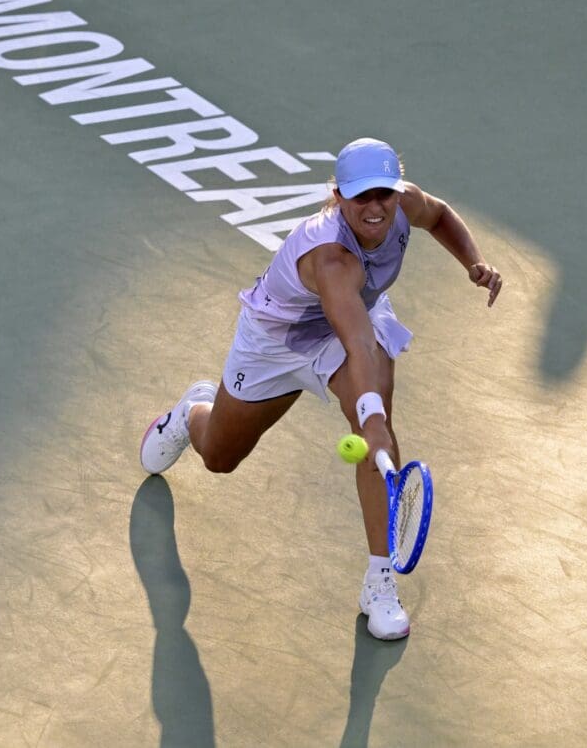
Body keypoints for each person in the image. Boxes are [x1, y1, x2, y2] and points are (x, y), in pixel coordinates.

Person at [140, 138, 502, 640]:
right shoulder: (331, 259)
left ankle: (379, 580)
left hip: (347, 329)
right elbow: (357, 344)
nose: (375, 207)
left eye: (385, 194)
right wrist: (372, 422)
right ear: (337, 195)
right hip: (275, 342)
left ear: (398, 188)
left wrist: (473, 262)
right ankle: (191, 414)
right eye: (360, 197)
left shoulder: (405, 205)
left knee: (377, 431)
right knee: (220, 457)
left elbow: (438, 216)